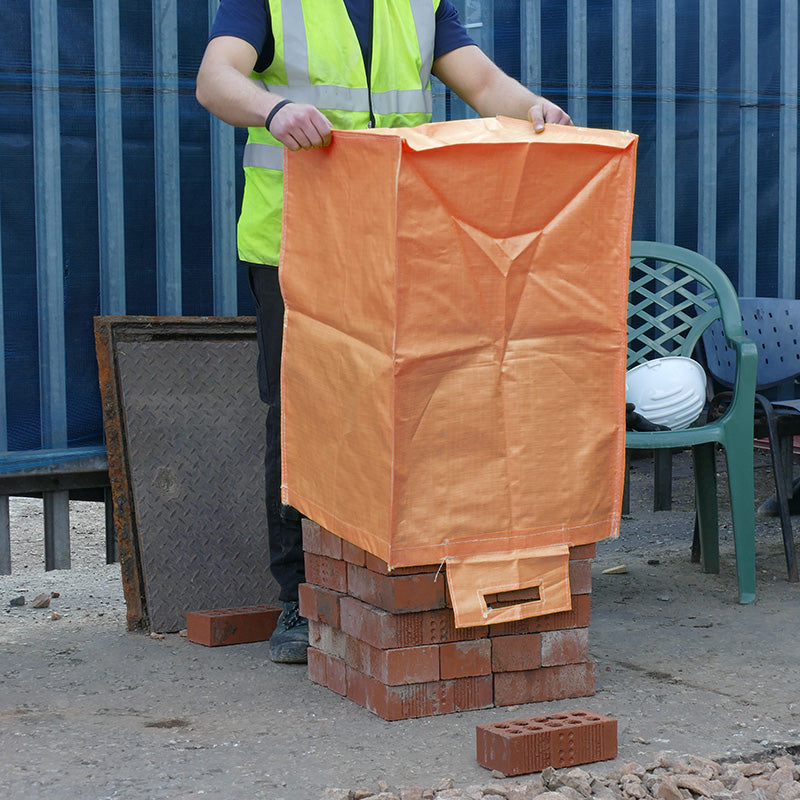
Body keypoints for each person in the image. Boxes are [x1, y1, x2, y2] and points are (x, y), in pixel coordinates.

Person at [196, 0, 572, 665]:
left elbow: (483, 85)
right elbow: (216, 78)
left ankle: (394, 582)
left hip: (396, 242)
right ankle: (300, 596)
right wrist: (274, 111)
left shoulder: (420, 4)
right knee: (303, 420)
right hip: (296, 242)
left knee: (404, 408)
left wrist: (532, 107)